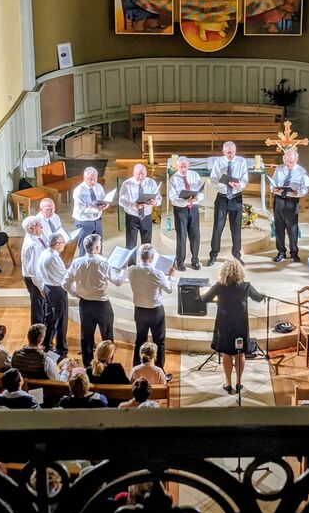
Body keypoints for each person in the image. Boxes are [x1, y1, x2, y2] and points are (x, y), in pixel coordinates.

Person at [201, 258, 265, 394]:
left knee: (227, 354)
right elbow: (258, 297)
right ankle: (239, 383)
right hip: (240, 326)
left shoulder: (219, 286)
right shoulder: (245, 286)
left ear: (223, 272)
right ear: (239, 272)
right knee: (239, 353)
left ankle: (228, 384)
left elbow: (204, 299)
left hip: (224, 326)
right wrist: (264, 295)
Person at [62, 234, 127, 367]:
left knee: (86, 336)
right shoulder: (103, 262)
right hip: (102, 305)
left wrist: (76, 293)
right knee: (107, 336)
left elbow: (65, 283)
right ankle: (107, 364)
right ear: (97, 247)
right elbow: (118, 281)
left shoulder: (77, 262)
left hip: (85, 304)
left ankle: (88, 365)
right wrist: (124, 270)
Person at [127, 243, 175, 378]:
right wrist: (171, 277)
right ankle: (160, 372)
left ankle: (136, 370)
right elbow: (169, 289)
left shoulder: (132, 270)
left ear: (139, 257)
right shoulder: (157, 273)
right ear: (153, 257)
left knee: (140, 340)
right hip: (155, 311)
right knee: (159, 341)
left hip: (140, 311)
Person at [208, 142, 248, 266]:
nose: (232, 155)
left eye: (233, 152)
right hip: (222, 197)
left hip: (236, 197)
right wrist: (225, 184)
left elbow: (245, 179)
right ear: (224, 152)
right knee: (218, 228)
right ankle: (213, 255)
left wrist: (239, 185)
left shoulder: (241, 161)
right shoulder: (218, 162)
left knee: (236, 229)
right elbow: (213, 180)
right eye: (229, 153)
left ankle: (237, 255)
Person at [271, 149, 308, 263]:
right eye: (286, 161)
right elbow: (273, 184)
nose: (288, 164)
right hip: (279, 200)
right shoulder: (279, 169)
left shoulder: (301, 171)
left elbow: (305, 188)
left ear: (296, 160)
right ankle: (281, 251)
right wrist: (275, 189)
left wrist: (299, 193)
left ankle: (294, 252)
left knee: (292, 228)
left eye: (291, 161)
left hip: (292, 201)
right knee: (279, 227)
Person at [168, 156, 203, 271]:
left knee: (195, 235)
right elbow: (173, 198)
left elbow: (201, 193)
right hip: (180, 210)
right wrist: (185, 201)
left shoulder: (194, 175)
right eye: (181, 167)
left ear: (188, 166)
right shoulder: (173, 179)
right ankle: (180, 262)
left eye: (185, 167)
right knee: (182, 236)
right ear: (177, 166)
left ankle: (195, 260)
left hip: (193, 208)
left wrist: (196, 198)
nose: (183, 169)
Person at [119, 163, 162, 251]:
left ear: (146, 173)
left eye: (143, 174)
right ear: (133, 173)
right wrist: (134, 206)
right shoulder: (127, 184)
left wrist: (155, 202)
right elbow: (121, 200)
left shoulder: (151, 183)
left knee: (147, 244)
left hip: (146, 216)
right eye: (138, 174)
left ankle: (146, 264)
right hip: (132, 217)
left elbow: (159, 199)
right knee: (131, 244)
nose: (140, 176)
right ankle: (131, 264)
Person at [38, 233, 68, 357]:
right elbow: (64, 276)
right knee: (60, 321)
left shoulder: (45, 253)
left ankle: (47, 345)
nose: (64, 245)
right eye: (62, 243)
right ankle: (61, 349)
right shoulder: (54, 258)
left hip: (47, 287)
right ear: (56, 245)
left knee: (49, 318)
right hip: (56, 290)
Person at [20, 216, 50, 326]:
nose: (42, 228)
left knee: (41, 306)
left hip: (37, 277)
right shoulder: (32, 245)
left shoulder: (35, 237)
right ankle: (37, 334)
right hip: (34, 280)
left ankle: (41, 330)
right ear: (32, 228)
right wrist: (41, 287)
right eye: (39, 226)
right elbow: (34, 270)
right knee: (38, 308)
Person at [72, 167, 108, 257]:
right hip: (84, 222)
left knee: (98, 246)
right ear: (84, 178)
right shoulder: (78, 191)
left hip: (97, 220)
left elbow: (103, 200)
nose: (92, 181)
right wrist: (96, 209)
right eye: (90, 179)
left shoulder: (99, 187)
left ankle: (98, 266)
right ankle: (84, 268)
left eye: (94, 179)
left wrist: (106, 204)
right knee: (85, 247)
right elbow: (82, 211)